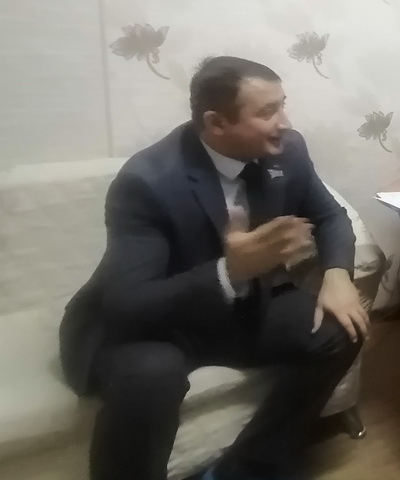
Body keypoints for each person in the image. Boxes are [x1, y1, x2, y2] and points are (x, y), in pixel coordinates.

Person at [59, 56, 369, 480]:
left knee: (342, 328)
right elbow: (129, 305)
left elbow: (331, 216)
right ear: (216, 123)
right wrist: (229, 272)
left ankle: (248, 469)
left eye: (282, 105)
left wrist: (337, 275)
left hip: (235, 309)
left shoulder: (287, 150)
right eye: (267, 112)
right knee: (151, 377)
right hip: (155, 321)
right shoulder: (147, 181)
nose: (284, 122)